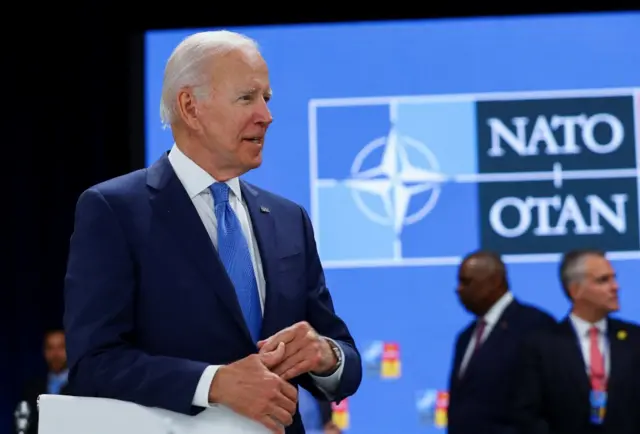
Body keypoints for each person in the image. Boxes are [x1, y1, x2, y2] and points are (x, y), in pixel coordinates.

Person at [63, 30, 362, 434]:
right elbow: (93, 364)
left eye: (266, 98)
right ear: (190, 107)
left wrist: (326, 355)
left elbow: (345, 361)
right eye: (247, 98)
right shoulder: (115, 210)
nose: (266, 116)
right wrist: (213, 384)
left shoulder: (289, 219)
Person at [512, 249, 640, 434]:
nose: (615, 287)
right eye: (603, 280)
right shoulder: (541, 346)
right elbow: (527, 416)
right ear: (575, 290)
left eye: (614, 278)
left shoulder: (635, 339)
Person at [447, 250, 556, 434]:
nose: (458, 289)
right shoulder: (465, 337)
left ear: (494, 282)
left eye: (466, 282)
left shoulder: (534, 326)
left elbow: (550, 402)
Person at [15, 330, 70, 434]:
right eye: (50, 348)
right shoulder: (31, 388)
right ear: (44, 351)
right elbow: (21, 425)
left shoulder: (82, 387)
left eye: (61, 347)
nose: (55, 354)